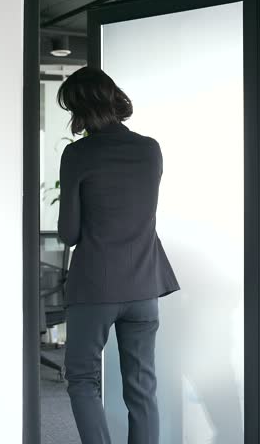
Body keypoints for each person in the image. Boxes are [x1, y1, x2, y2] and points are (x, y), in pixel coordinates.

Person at [56, 67, 180, 444]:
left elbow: (69, 233)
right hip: (144, 286)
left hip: (94, 286)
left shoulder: (77, 154)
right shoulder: (150, 148)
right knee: (142, 387)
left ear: (80, 109)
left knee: (82, 380)